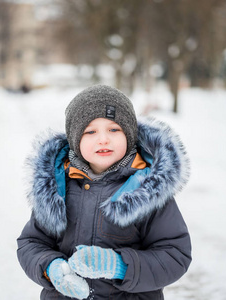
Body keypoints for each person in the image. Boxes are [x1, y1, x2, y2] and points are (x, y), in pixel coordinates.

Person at [17, 84, 191, 299]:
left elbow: (174, 255)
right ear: (75, 139)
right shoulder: (56, 187)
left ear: (129, 134)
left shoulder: (148, 191)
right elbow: (31, 242)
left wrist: (120, 266)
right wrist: (50, 268)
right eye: (90, 131)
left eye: (114, 129)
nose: (103, 139)